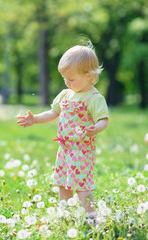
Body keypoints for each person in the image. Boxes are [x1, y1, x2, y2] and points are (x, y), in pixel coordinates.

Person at [17, 44, 109, 224]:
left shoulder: (94, 98)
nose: (67, 82)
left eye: (71, 79)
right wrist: (35, 118)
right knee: (62, 182)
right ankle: (64, 213)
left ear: (88, 75)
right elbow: (53, 113)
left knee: (81, 184)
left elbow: (103, 119)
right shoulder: (65, 95)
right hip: (64, 148)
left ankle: (91, 216)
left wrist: (96, 128)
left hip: (82, 150)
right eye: (64, 78)